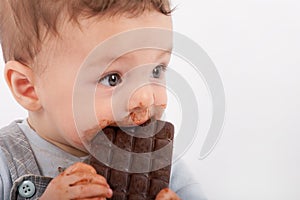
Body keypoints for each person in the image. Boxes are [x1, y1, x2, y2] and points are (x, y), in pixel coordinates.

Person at [0, 0, 206, 199]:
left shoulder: (165, 168)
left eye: (156, 70)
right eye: (112, 79)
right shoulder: (5, 164)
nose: (145, 98)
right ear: (28, 88)